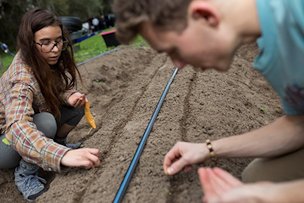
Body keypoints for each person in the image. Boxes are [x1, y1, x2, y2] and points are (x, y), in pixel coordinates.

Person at [112, 0, 304, 202]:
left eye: (173, 50)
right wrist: (209, 148)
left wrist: (273, 196)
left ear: (205, 16)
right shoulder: (272, 42)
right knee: (257, 177)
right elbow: (299, 124)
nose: (178, 63)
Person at [0, 8, 100, 201]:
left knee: (76, 105)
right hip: (5, 140)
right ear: (31, 43)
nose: (55, 49)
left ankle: (56, 143)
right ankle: (25, 175)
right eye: (45, 43)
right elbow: (17, 126)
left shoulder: (47, 57)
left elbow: (55, 87)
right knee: (46, 122)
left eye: (58, 40)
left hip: (25, 130)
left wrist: (68, 97)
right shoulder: (21, 77)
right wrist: (61, 156)